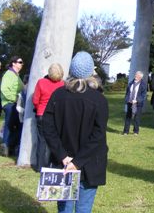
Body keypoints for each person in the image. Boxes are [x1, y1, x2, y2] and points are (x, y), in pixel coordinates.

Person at [43, 51, 108, 213]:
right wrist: (72, 161)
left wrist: (65, 157)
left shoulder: (58, 95)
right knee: (82, 208)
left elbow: (47, 128)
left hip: (67, 161)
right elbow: (98, 136)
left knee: (66, 208)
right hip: (85, 162)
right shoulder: (98, 99)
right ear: (90, 73)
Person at [32, 63, 65, 171]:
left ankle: (39, 166)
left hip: (41, 114)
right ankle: (54, 164)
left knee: (41, 141)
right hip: (56, 116)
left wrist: (38, 107)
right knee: (55, 141)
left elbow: (35, 100)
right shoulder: (62, 84)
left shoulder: (41, 82)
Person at [0, 56, 24, 156]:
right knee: (10, 126)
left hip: (16, 104)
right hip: (10, 104)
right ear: (13, 63)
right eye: (20, 62)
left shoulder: (16, 75)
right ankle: (6, 145)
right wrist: (15, 99)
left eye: (22, 62)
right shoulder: (9, 74)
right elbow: (4, 89)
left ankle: (10, 146)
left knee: (17, 126)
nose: (21, 64)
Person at [123, 71, 147, 135]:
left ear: (140, 77)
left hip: (138, 103)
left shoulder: (143, 84)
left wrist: (137, 100)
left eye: (137, 75)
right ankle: (125, 131)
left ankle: (135, 131)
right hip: (130, 102)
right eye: (136, 75)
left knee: (137, 117)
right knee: (128, 116)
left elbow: (143, 95)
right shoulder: (131, 83)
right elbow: (128, 92)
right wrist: (127, 99)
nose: (136, 76)